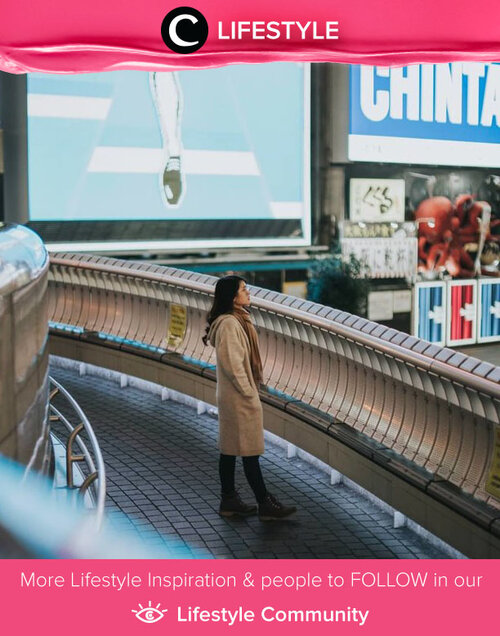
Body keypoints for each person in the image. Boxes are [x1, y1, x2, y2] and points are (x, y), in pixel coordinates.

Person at [203, 275, 297, 521]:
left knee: (231, 449)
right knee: (248, 451)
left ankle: (230, 500)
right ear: (233, 297)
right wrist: (249, 393)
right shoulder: (230, 325)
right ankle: (264, 503)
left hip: (233, 396)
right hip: (238, 397)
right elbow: (233, 364)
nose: (248, 293)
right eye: (244, 289)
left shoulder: (236, 321)